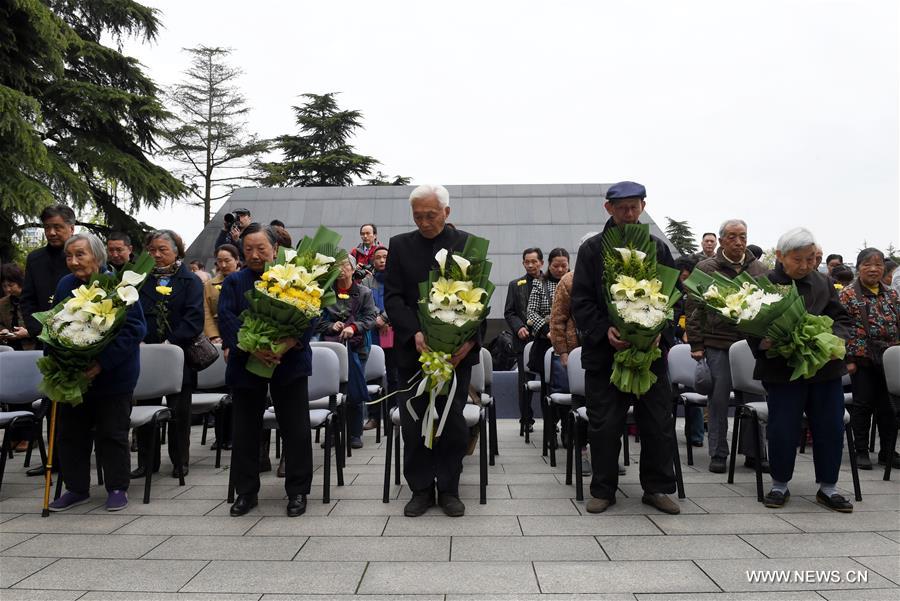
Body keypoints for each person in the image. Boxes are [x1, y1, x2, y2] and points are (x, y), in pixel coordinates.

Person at [570, 181, 680, 515]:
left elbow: (672, 298)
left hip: (650, 354)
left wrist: (660, 330)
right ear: (608, 209)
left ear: (643, 206)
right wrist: (605, 331)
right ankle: (603, 488)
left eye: (634, 207)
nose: (628, 214)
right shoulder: (592, 250)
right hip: (605, 354)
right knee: (604, 424)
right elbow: (582, 302)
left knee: (657, 421)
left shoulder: (659, 249)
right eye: (621, 208)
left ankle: (658, 487)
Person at [385, 184, 480, 518]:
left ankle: (450, 488)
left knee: (452, 422)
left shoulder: (467, 244)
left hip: (457, 355)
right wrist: (414, 333)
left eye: (431, 215)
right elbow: (393, 297)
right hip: (414, 354)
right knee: (415, 421)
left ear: (447, 212)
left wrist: (467, 342)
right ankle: (421, 489)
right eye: (418, 216)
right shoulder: (400, 245)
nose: (424, 222)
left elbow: (479, 298)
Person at [753, 227, 854, 512]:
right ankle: (779, 484)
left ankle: (828, 487)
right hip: (783, 369)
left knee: (830, 427)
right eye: (799, 259)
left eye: (810, 259)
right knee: (783, 427)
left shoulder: (823, 281)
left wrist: (829, 338)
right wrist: (765, 342)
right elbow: (748, 323)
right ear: (781, 256)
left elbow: (841, 319)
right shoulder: (763, 284)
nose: (805, 265)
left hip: (824, 368)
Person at [218, 223, 315, 517]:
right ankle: (246, 492)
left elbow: (311, 315)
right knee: (245, 430)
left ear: (275, 249)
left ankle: (297, 490)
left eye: (261, 248)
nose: (255, 254)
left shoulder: (296, 278)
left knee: (295, 429)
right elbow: (226, 318)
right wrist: (252, 346)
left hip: (289, 364)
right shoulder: (235, 282)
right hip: (246, 365)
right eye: (248, 249)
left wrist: (287, 343)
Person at [47, 233, 146, 512]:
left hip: (113, 374)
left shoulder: (119, 284)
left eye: (80, 254)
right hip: (74, 373)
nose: (74, 261)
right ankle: (76, 488)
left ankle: (117, 487)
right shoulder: (66, 284)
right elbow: (55, 325)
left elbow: (134, 329)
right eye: (69, 256)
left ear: (97, 256)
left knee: (112, 433)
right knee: (71, 433)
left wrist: (101, 363)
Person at [686, 219, 769, 474]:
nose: (738, 242)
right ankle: (719, 453)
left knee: (755, 397)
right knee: (719, 398)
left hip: (749, 344)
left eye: (742, 236)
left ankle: (755, 452)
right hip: (717, 342)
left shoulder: (759, 268)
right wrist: (696, 343)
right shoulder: (706, 267)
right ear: (721, 241)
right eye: (732, 237)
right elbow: (693, 308)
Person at [131, 230, 204, 480]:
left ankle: (179, 461)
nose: (157, 255)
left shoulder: (190, 280)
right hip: (146, 353)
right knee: (145, 407)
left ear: (176, 251)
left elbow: (194, 320)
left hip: (178, 354)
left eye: (163, 249)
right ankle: (146, 462)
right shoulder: (140, 280)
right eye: (152, 250)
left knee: (179, 412)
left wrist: (169, 343)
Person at [840, 248, 900, 470]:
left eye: (878, 265)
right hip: (861, 359)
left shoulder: (891, 294)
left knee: (889, 407)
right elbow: (840, 329)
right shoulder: (847, 295)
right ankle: (861, 451)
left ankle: (887, 451)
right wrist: (848, 360)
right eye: (867, 265)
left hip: (889, 360)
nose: (873, 269)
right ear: (858, 268)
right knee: (862, 405)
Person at [316, 255, 377, 449]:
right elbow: (317, 321)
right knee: (334, 392)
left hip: (357, 347)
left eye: (345, 265)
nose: (342, 269)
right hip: (332, 349)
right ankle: (334, 432)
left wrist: (354, 327)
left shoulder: (364, 292)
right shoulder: (326, 293)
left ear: (352, 269)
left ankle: (354, 433)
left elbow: (370, 318)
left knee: (354, 387)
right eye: (337, 266)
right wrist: (332, 325)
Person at [203, 243, 241, 451]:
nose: (224, 264)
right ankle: (221, 436)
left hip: (236, 337)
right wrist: (214, 336)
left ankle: (234, 434)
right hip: (217, 341)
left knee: (235, 391)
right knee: (219, 390)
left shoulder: (243, 281)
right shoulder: (210, 284)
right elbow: (206, 312)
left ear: (237, 261)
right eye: (220, 261)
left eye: (228, 260)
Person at [20, 204, 76, 341]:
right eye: (47, 227)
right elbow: (28, 300)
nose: (51, 233)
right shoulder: (35, 259)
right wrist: (38, 331)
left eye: (57, 227)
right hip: (43, 337)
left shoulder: (85, 257)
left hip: (80, 336)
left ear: (72, 229)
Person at [504, 247, 544, 433]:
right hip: (524, 341)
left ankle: (552, 419)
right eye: (527, 262)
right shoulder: (515, 284)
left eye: (534, 261)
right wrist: (519, 327)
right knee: (524, 382)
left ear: (541, 263)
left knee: (550, 381)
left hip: (546, 340)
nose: (530, 265)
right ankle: (526, 419)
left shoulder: (550, 283)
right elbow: (509, 312)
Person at [361, 245, 398, 430]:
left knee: (394, 376)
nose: (382, 260)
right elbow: (367, 303)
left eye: (385, 257)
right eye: (378, 258)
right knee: (373, 376)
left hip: (394, 333)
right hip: (374, 334)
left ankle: (393, 413)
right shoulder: (367, 282)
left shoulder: (397, 281)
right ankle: (374, 417)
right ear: (372, 261)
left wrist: (384, 318)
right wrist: (378, 318)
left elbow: (398, 302)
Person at [0, 263, 35, 350]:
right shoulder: (2, 303)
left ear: (20, 282)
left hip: (33, 349)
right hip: (10, 350)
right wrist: (4, 331)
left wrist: (27, 333)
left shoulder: (35, 299)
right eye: (4, 286)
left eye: (11, 285)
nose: (8, 289)